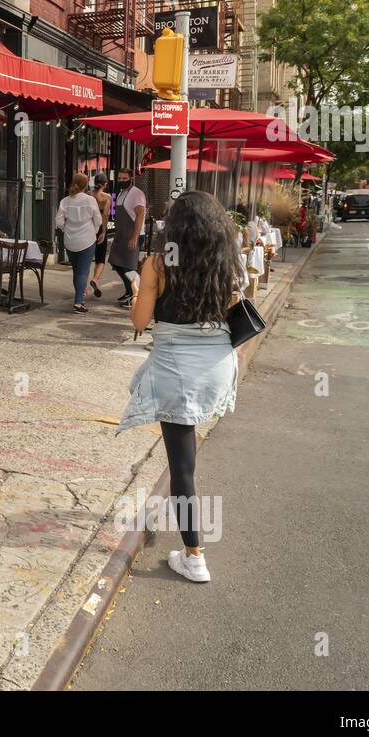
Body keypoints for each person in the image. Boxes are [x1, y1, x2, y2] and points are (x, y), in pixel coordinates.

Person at [120, 190, 242, 584]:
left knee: (182, 470)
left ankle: (194, 556)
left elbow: (140, 323)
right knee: (187, 458)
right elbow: (233, 308)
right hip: (218, 367)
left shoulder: (157, 264)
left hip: (178, 371)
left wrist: (139, 295)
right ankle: (191, 546)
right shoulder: (225, 262)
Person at [55, 173, 103, 314]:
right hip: (87, 239)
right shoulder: (90, 200)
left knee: (77, 271)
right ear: (85, 184)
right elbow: (98, 220)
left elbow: (59, 222)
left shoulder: (65, 201)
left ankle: (80, 298)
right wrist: (93, 231)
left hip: (70, 240)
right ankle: (78, 302)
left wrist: (66, 229)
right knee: (83, 271)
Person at [107, 167, 146, 308]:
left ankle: (136, 295)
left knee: (129, 267)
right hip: (121, 235)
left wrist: (134, 237)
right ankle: (129, 290)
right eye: (120, 179)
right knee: (116, 262)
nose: (122, 181)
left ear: (131, 179)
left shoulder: (137, 194)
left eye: (125, 178)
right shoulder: (121, 193)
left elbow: (140, 215)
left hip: (132, 235)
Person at [89, 171, 111, 299]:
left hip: (88, 229)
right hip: (99, 230)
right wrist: (103, 231)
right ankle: (96, 279)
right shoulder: (107, 197)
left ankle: (84, 287)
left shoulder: (88, 195)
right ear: (105, 184)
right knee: (100, 258)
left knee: (86, 258)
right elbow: (105, 215)